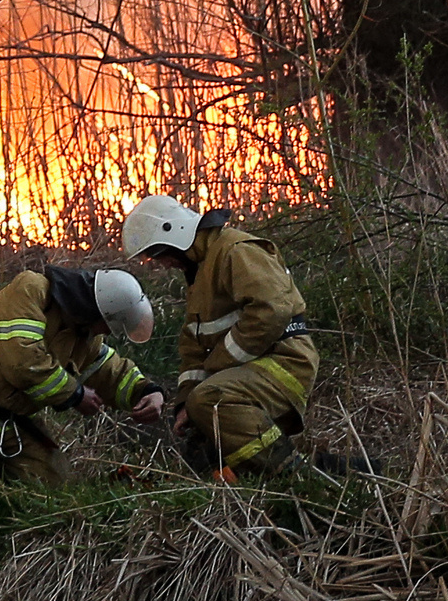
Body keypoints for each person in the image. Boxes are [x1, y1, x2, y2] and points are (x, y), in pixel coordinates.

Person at [120, 195, 331, 480]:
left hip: (285, 361)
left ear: (175, 234)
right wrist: (184, 404)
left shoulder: (236, 251)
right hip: (251, 368)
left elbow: (271, 311)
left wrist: (213, 374)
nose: (164, 264)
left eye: (160, 254)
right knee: (199, 425)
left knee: (211, 400)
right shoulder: (200, 272)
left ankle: (293, 476)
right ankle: (307, 472)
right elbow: (194, 347)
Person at [0, 265, 164, 485]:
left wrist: (146, 392)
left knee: (55, 490)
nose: (108, 334)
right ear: (98, 312)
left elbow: (108, 370)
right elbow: (22, 362)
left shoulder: (84, 336)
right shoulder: (31, 290)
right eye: (108, 326)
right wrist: (75, 394)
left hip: (11, 419)